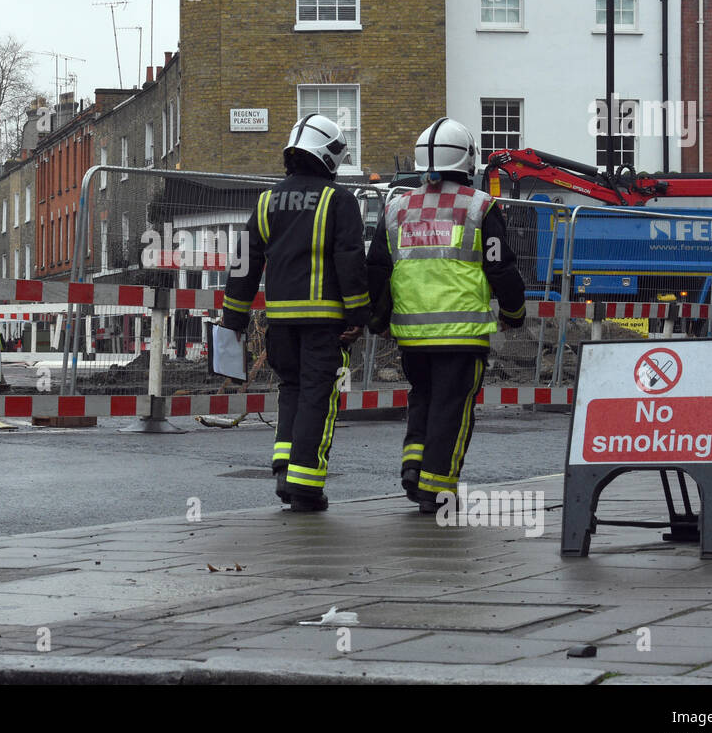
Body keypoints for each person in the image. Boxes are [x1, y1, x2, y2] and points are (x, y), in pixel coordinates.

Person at [366, 117, 527, 514]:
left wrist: (379, 320)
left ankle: (414, 466)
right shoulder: (479, 206)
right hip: (461, 333)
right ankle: (436, 490)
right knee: (452, 410)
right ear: (468, 159)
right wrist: (514, 311)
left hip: (412, 335)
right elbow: (499, 265)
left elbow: (377, 269)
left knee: (423, 398)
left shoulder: (397, 208)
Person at [221, 114, 371, 512]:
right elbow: (350, 260)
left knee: (291, 390)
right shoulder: (339, 200)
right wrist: (359, 315)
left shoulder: (267, 200)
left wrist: (233, 320)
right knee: (318, 398)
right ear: (328, 155)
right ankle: (304, 485)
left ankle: (285, 463)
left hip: (280, 325)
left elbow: (244, 262)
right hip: (325, 325)